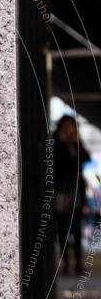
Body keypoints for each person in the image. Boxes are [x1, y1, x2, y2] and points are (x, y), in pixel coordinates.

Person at [53, 115, 91, 275]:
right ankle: (66, 263)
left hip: (77, 193)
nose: (69, 130)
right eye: (66, 126)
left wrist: (76, 142)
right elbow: (56, 164)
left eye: (72, 126)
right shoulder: (55, 144)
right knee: (63, 230)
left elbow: (86, 159)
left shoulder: (76, 144)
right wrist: (62, 143)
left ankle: (78, 264)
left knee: (77, 229)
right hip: (62, 192)